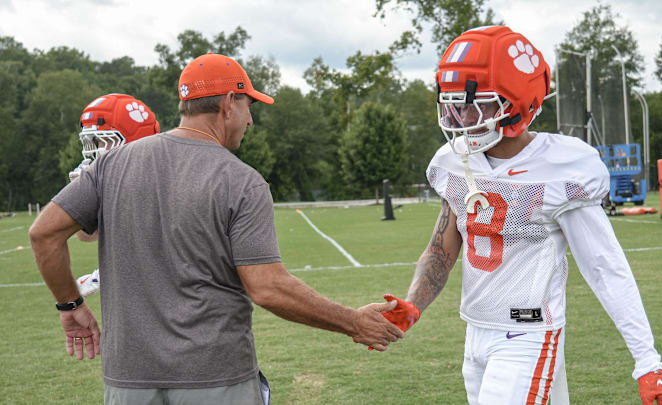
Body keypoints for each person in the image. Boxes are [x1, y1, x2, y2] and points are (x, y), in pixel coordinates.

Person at [29, 52, 403, 405]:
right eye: (248, 106)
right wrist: (353, 322)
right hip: (215, 380)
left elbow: (44, 233)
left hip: (127, 381)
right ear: (228, 103)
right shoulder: (241, 181)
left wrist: (70, 305)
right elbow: (267, 287)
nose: (251, 120)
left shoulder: (111, 165)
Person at [381, 26, 662, 405]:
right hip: (475, 334)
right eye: (453, 103)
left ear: (517, 103)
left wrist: (647, 360)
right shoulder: (454, 163)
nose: (460, 116)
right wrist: (413, 304)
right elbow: (441, 249)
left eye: (474, 103)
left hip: (529, 335)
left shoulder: (563, 167)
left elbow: (605, 267)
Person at [69, 93, 162, 295]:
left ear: (136, 141)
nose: (95, 151)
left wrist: (101, 277)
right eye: (93, 143)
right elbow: (87, 235)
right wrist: (80, 199)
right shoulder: (124, 183)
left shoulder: (159, 182)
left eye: (103, 142)